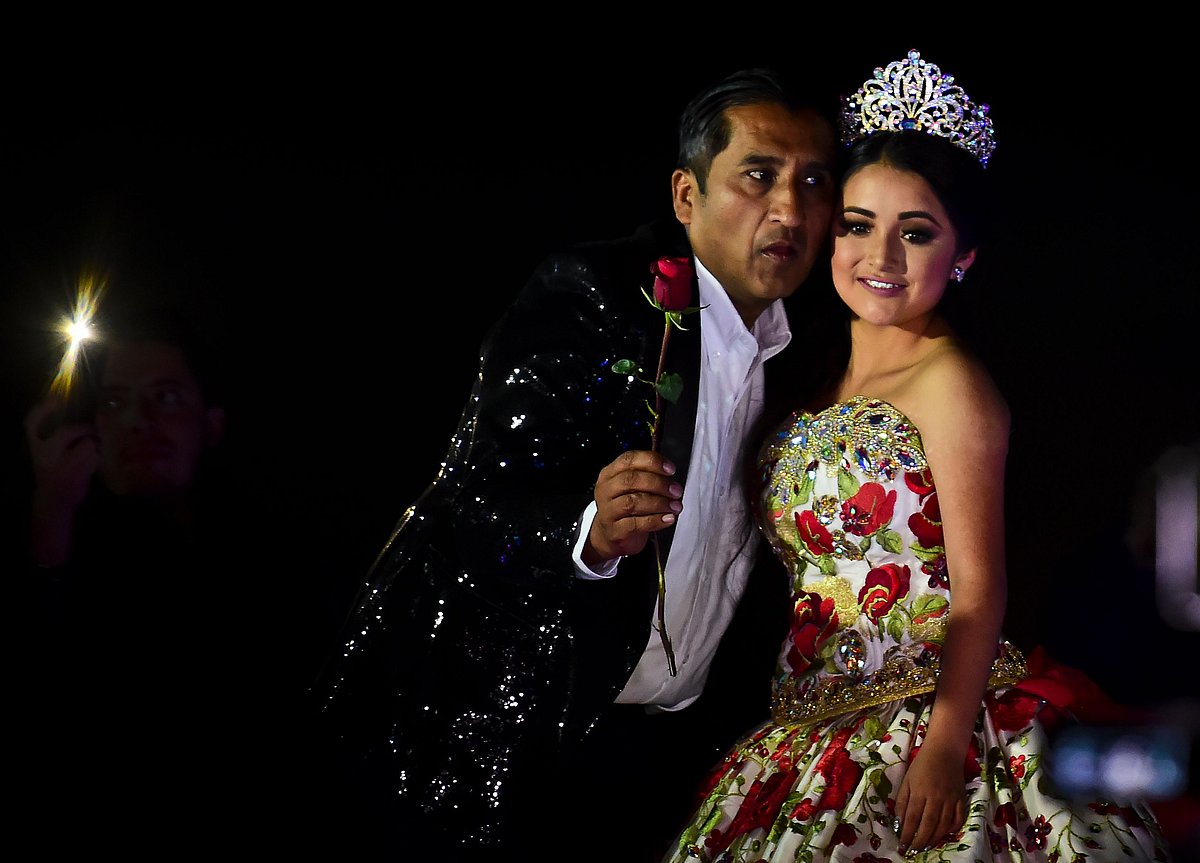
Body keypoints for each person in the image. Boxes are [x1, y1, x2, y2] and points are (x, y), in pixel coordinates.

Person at [308, 67, 840, 858]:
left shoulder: (813, 356)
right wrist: (588, 529)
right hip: (526, 741)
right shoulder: (595, 293)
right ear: (686, 196)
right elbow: (473, 500)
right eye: (759, 175)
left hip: (681, 757)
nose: (790, 208)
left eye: (814, 182)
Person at [658, 50, 1175, 862]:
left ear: (962, 255)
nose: (881, 258)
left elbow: (981, 585)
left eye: (917, 233)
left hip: (933, 718)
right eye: (859, 226)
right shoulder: (803, 375)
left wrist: (941, 747)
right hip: (805, 725)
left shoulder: (951, 382)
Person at [13, 302, 342, 851]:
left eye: (165, 398)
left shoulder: (284, 565)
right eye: (113, 401)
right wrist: (52, 512)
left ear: (211, 423)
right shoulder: (72, 544)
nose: (137, 420)